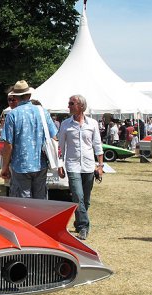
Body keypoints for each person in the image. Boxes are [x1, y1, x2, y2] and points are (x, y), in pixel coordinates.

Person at [0, 80, 57, 199]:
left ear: (15, 96)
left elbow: (8, 145)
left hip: (21, 165)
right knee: (40, 201)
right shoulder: (43, 112)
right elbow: (54, 137)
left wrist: (5, 167)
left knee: (23, 204)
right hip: (40, 163)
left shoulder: (12, 115)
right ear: (29, 95)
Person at [58, 95, 104, 240]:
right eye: (69, 103)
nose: (69, 106)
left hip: (89, 165)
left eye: (72, 103)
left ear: (81, 106)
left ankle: (79, 221)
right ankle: (84, 227)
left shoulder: (93, 124)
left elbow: (97, 145)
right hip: (72, 165)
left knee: (86, 200)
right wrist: (60, 164)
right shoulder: (65, 124)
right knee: (78, 196)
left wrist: (100, 165)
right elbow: (61, 147)